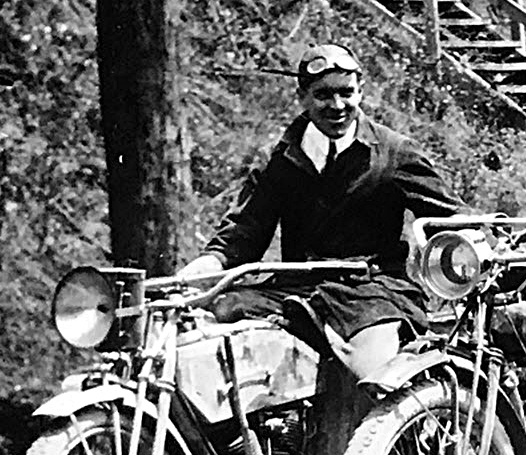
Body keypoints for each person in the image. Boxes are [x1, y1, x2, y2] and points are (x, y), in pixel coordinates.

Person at [176, 42, 463, 385]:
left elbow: (449, 218)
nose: (337, 105)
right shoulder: (281, 158)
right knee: (214, 329)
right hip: (299, 290)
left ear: (361, 92)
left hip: (372, 294)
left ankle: (403, 432)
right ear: (302, 96)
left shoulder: (393, 153)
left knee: (379, 382)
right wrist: (190, 280)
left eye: (346, 93)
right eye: (323, 95)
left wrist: (477, 248)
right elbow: (242, 235)